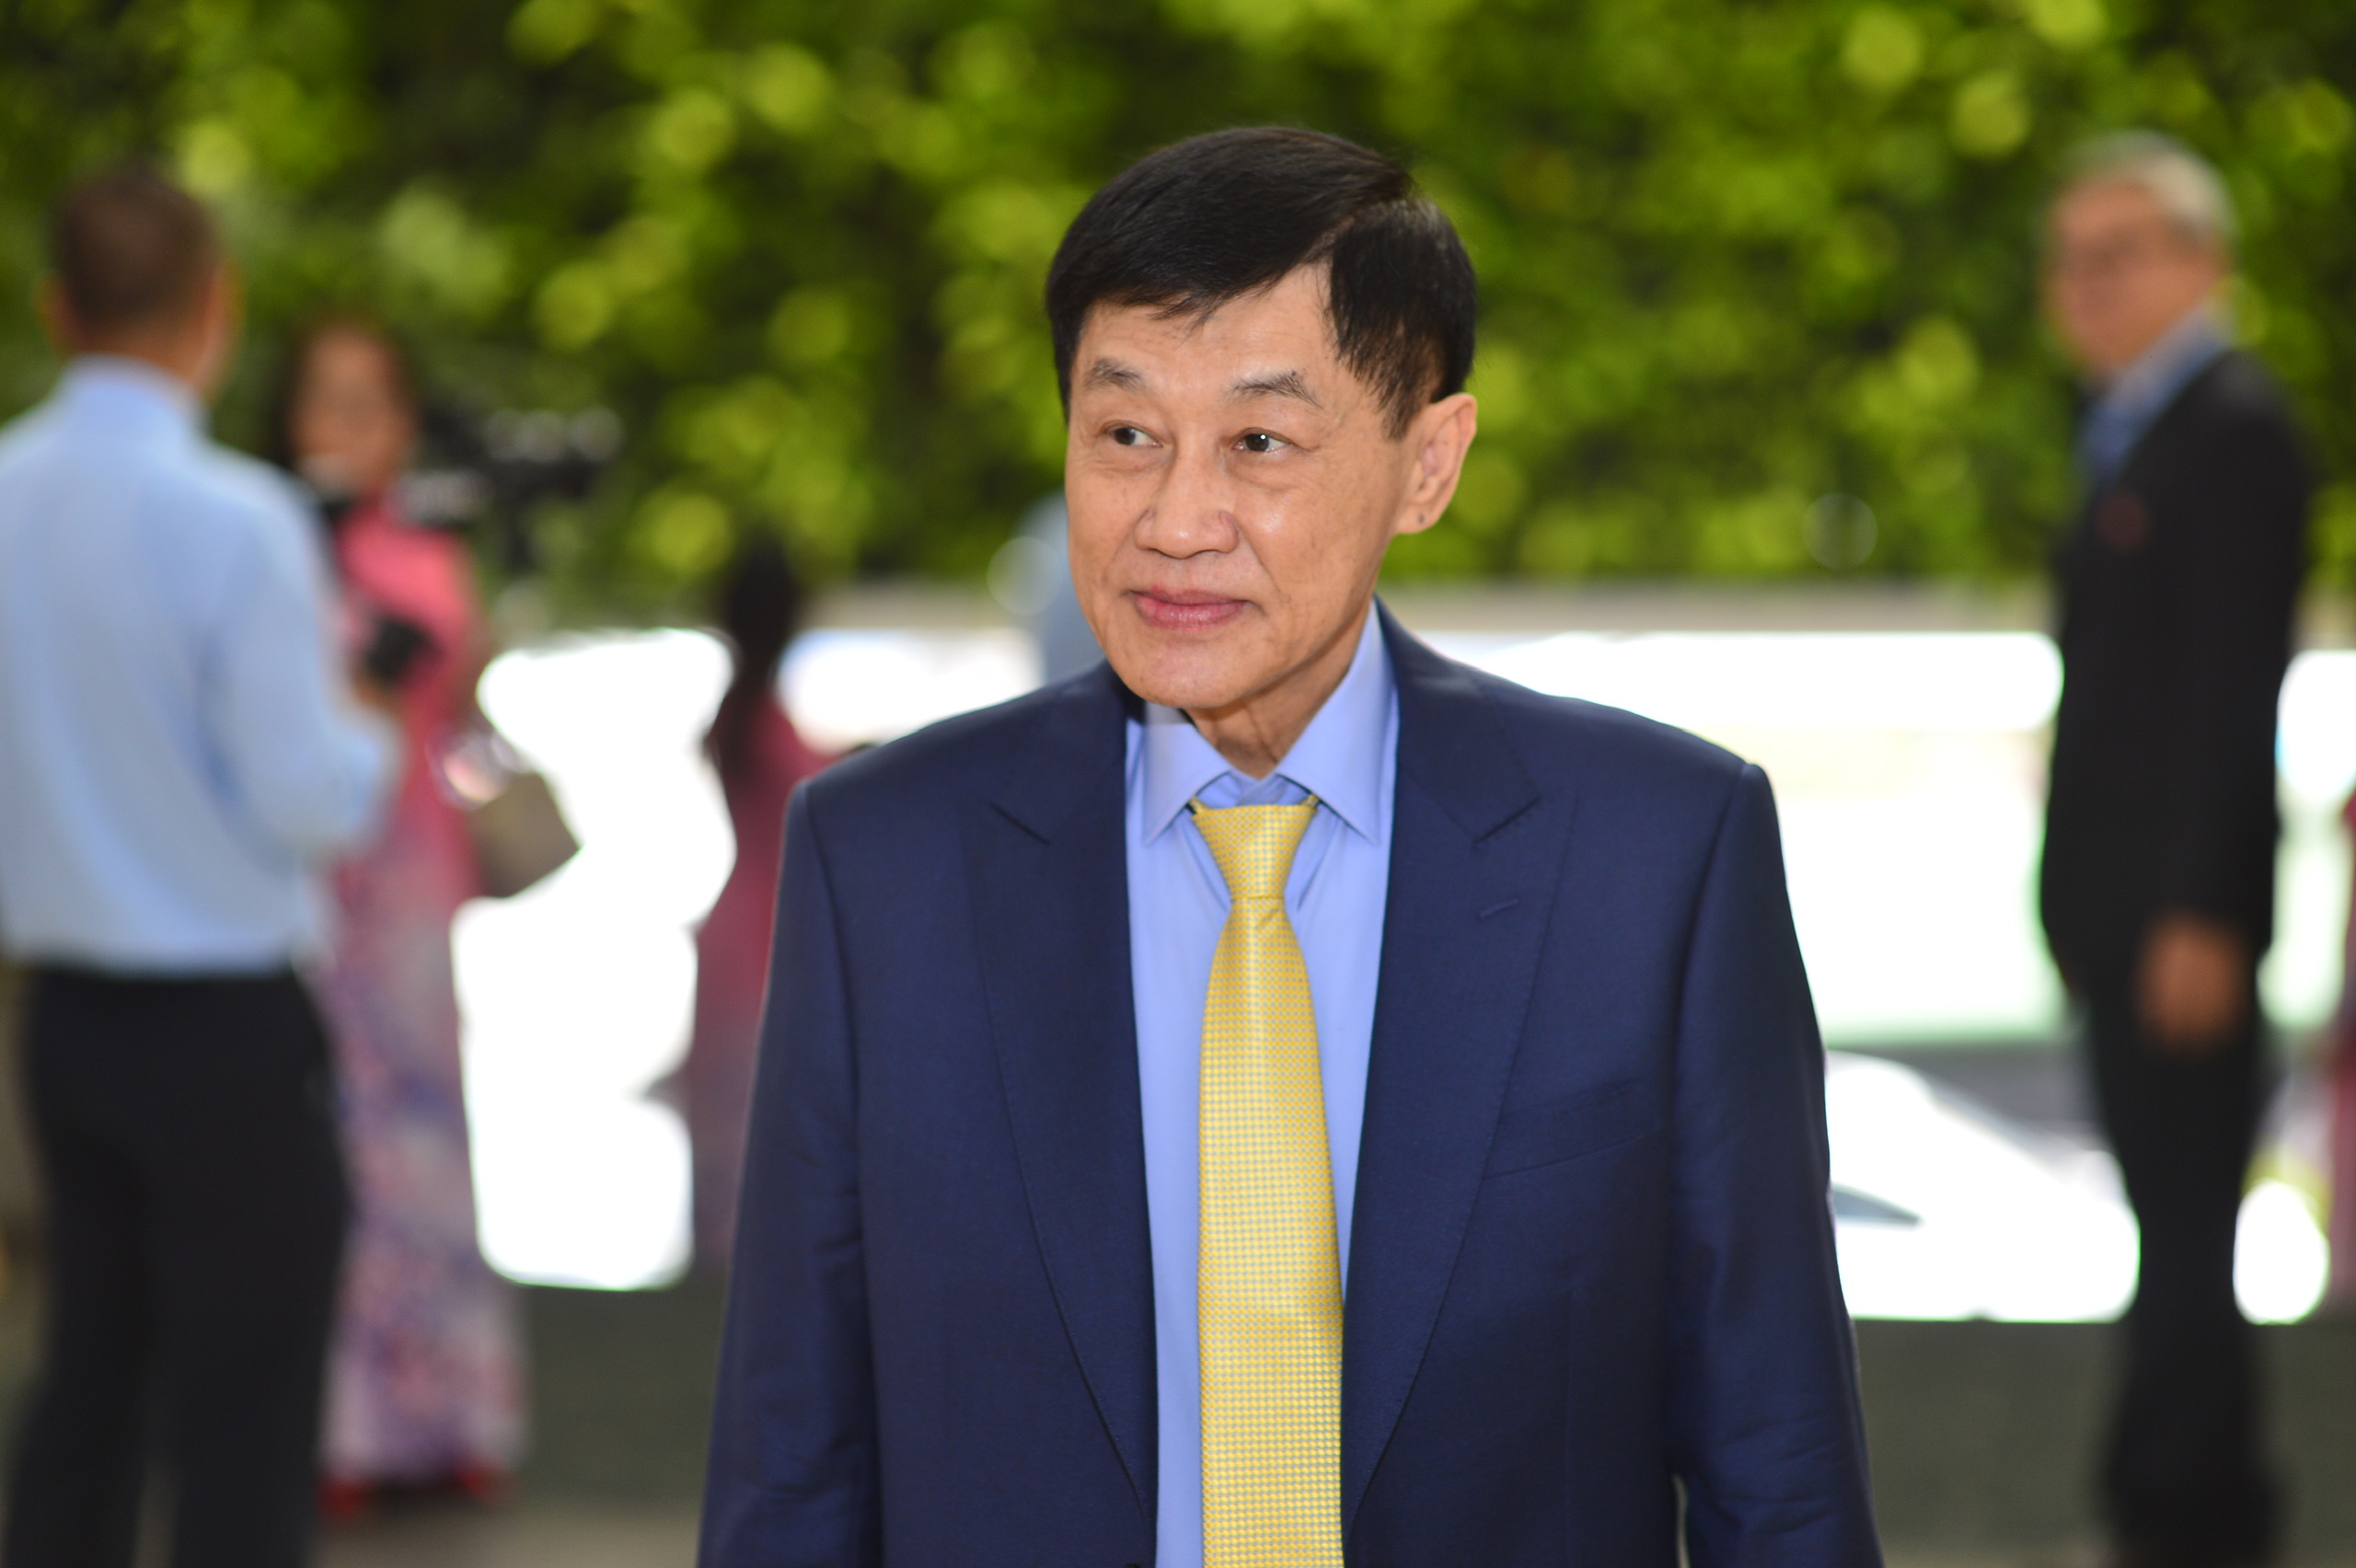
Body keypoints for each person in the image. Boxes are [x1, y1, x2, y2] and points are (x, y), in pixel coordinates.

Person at [700, 127, 1878, 1566]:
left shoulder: (1649, 861)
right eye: (1125, 435)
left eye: (1259, 443)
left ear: (1428, 463)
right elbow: (792, 1470)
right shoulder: (887, 865)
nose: (1176, 521)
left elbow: (1778, 1470)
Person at [0, 167, 396, 1568]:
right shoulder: (237, 519)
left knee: (87, 1388)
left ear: (58, 309)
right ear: (214, 307)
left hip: (62, 1018)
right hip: (224, 1025)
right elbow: (306, 798)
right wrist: (372, 728)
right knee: (244, 1424)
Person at [2038, 132, 2310, 1568]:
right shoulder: (2133, 427)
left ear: (2206, 263)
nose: (2085, 284)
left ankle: (2189, 1521)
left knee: (2190, 1236)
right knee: (2172, 1229)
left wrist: (2204, 909)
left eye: (2119, 253)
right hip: (2125, 915)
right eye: (2069, 258)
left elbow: (2228, 694)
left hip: (2175, 924)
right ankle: (2173, 1504)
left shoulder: (2231, 430)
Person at [273, 317, 525, 1507]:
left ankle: (449, 1415)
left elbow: (460, 717)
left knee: (426, 1140)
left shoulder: (427, 553)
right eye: (327, 400)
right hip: (312, 881)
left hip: (411, 878)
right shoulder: (268, 547)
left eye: (369, 402)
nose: (348, 426)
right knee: (327, 1145)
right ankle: (345, 1428)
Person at [683, 536, 831, 1268]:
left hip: (738, 928)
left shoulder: (740, 709)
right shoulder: (763, 717)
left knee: (732, 1121)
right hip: (768, 938)